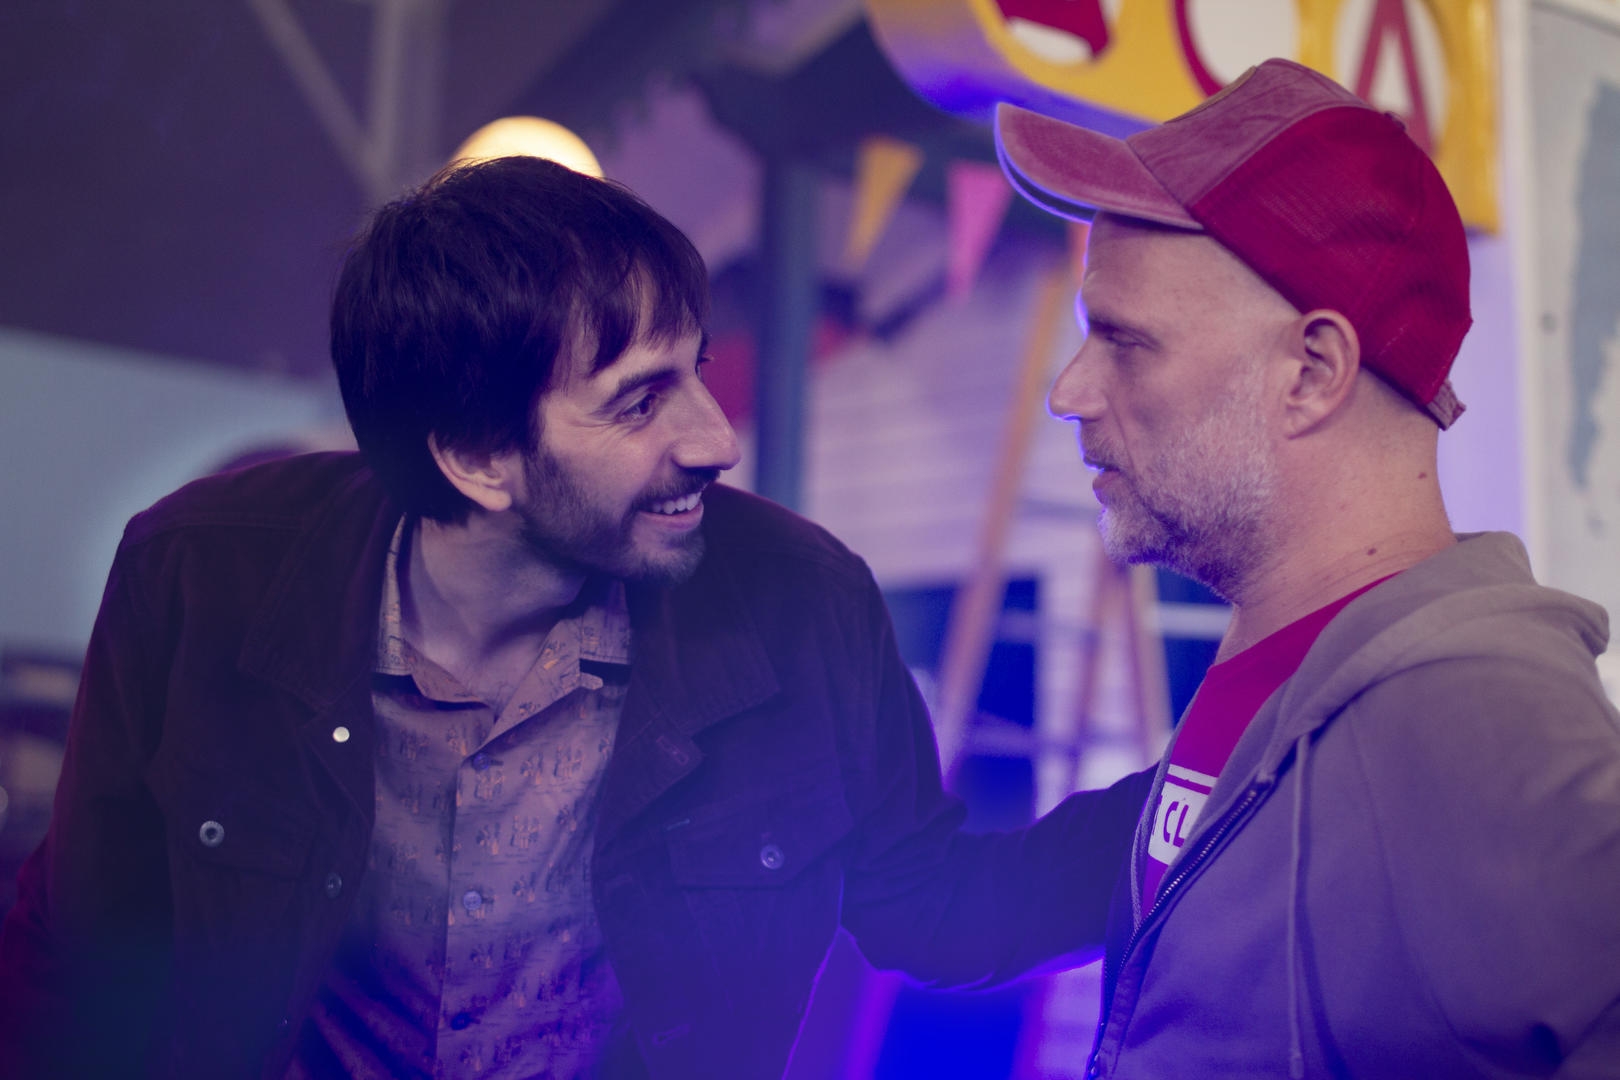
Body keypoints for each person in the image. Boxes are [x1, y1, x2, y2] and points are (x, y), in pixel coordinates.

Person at [0, 156, 1149, 1079]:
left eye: (695, 369)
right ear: (477, 456)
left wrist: (1210, 796)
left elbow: (933, 910)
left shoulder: (802, 602)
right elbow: (79, 956)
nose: (715, 437)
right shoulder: (200, 576)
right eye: (640, 401)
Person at [996, 58, 1620, 1078]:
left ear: (1313, 372)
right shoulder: (1294, 673)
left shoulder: (1481, 723)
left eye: (1124, 340)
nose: (1070, 391)